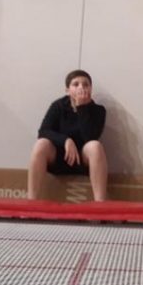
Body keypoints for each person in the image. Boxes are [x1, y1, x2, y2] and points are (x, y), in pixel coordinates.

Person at [28, 70, 108, 201]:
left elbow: (90, 136)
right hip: (59, 157)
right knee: (41, 144)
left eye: (85, 84)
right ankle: (31, 201)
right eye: (76, 84)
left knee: (95, 146)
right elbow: (43, 131)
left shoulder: (98, 110)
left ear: (90, 89)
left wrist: (82, 108)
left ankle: (100, 203)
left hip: (82, 159)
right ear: (67, 90)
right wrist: (66, 140)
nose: (81, 87)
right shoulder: (58, 106)